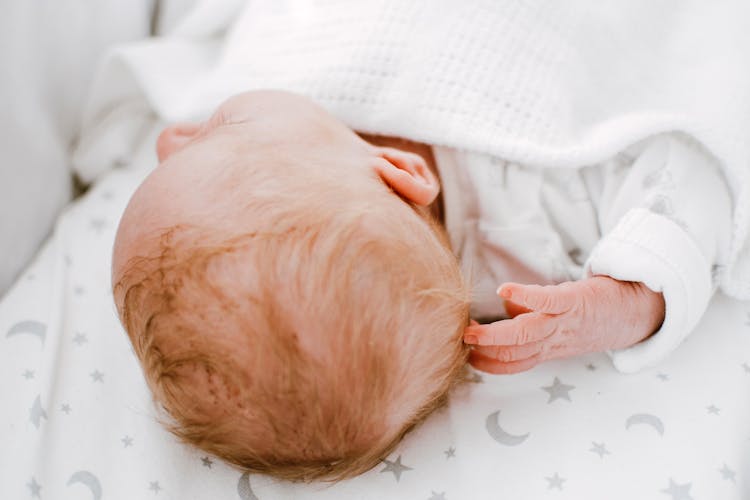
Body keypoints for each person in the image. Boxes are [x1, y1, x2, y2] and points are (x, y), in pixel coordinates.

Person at [112, 89, 731, 481]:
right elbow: (690, 174)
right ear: (403, 174)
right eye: (223, 126)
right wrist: (624, 299)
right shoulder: (526, 233)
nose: (169, 136)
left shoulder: (320, 144)